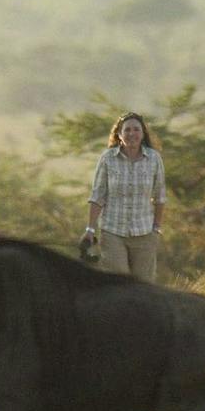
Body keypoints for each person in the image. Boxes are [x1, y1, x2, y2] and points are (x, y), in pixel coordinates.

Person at [83, 111, 166, 282]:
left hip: (144, 232)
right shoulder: (107, 159)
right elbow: (98, 196)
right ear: (119, 135)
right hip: (113, 230)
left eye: (136, 130)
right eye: (127, 130)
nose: (131, 134)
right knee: (118, 282)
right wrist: (90, 229)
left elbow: (160, 196)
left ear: (143, 134)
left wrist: (156, 229)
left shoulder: (154, 159)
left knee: (144, 285)